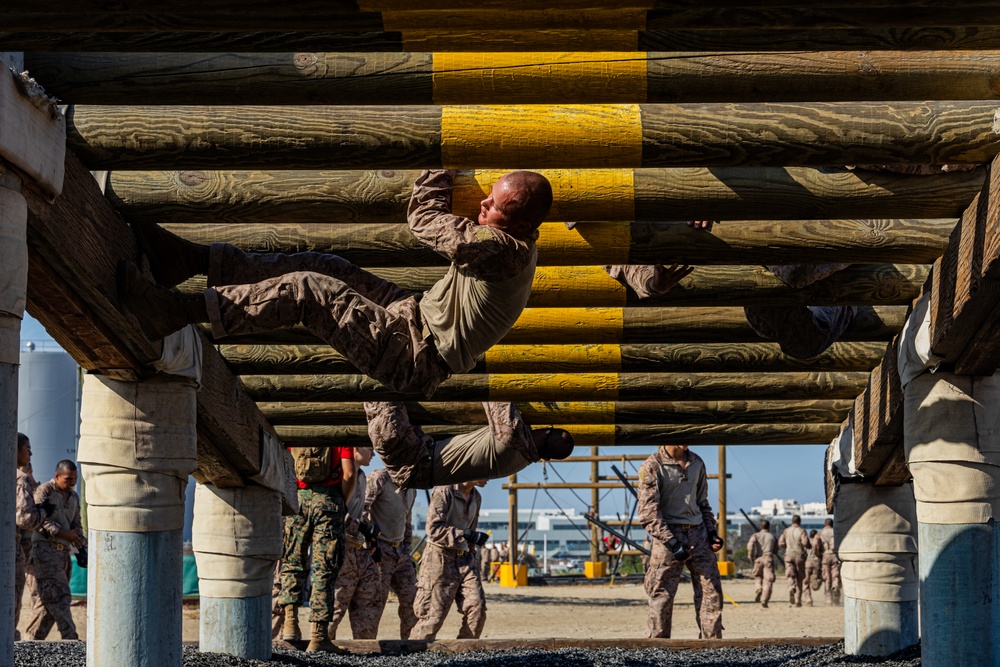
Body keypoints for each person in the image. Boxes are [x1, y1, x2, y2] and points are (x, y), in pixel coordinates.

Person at [121, 169, 553, 399]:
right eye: (488, 196)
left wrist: (442, 163)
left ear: (522, 223)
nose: (481, 204)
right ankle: (189, 260)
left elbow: (423, 219)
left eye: (494, 206)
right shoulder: (515, 238)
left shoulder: (500, 249)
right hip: (412, 315)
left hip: (413, 355)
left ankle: (175, 311)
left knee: (310, 290)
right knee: (324, 265)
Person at [364, 401, 573, 490]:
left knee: (379, 383)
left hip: (410, 457)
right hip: (416, 461)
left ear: (547, 431)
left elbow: (495, 394)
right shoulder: (520, 460)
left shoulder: (511, 435)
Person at [637, 445, 724, 639]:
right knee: (661, 596)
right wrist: (673, 543)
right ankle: (658, 649)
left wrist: (711, 533)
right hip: (668, 535)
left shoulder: (697, 462)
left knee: (711, 593)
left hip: (699, 532)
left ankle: (712, 648)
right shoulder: (652, 466)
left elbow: (702, 503)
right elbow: (647, 513)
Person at [278, 442, 355, 652]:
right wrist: (342, 502)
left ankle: (290, 626)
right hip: (329, 501)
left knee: (293, 562)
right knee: (324, 569)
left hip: (298, 502)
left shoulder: (295, 432)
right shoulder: (339, 433)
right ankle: (318, 637)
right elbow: (349, 473)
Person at [409, 481, 489, 640]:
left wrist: (472, 547)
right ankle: (412, 656)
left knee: (477, 608)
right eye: (486, 471)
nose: (489, 478)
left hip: (465, 559)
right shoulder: (445, 490)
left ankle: (465, 653)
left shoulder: (476, 497)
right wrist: (464, 534)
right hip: (439, 559)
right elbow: (433, 529)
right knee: (432, 617)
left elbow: (471, 531)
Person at [24, 460, 84, 641]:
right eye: (68, 479)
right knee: (60, 597)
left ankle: (30, 644)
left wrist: (81, 547)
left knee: (46, 604)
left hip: (63, 554)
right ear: (57, 476)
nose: (72, 482)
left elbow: (76, 524)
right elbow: (38, 520)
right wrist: (64, 533)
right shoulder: (45, 491)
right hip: (45, 551)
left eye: (75, 479)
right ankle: (71, 639)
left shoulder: (73, 497)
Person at [329, 447, 383, 640]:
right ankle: (323, 647)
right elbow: (336, 511)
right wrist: (360, 527)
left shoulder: (361, 476)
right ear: (356, 449)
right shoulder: (342, 474)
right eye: (370, 449)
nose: (373, 455)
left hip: (359, 550)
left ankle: (365, 646)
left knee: (369, 600)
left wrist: (369, 534)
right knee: (336, 603)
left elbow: (358, 514)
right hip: (342, 549)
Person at [363, 467, 418, 639]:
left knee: (414, 600)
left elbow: (407, 523)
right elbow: (362, 509)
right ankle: (367, 648)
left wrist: (406, 550)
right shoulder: (380, 478)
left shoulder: (412, 487)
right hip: (380, 550)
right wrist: (370, 542)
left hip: (401, 552)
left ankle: (410, 646)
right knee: (376, 602)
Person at [14, 434, 52, 640]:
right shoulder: (21, 478)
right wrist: (44, 511)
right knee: (12, 599)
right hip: (13, 546)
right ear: (16, 449)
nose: (30, 453)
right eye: (27, 448)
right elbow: (25, 518)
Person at [778, 515, 811, 608]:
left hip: (788, 555)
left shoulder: (786, 531)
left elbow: (781, 543)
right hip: (799, 555)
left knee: (790, 575)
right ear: (799, 521)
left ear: (792, 521)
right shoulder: (801, 531)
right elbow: (805, 543)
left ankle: (791, 587)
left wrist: (787, 547)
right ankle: (797, 601)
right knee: (799, 578)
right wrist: (808, 546)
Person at [746, 520, 777, 608]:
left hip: (758, 558)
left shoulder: (756, 535)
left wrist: (750, 556)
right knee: (768, 580)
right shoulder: (772, 537)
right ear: (769, 527)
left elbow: (750, 546)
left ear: (760, 527)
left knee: (757, 576)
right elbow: (775, 550)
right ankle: (765, 599)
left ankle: (758, 587)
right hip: (768, 559)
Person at [818, 518, 842, 606]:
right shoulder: (835, 532)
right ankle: (835, 588)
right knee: (835, 576)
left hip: (825, 556)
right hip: (835, 555)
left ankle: (828, 599)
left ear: (825, 524)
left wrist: (819, 554)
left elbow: (816, 545)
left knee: (827, 578)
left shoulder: (820, 533)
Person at [804, 529, 823, 606]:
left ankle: (808, 599)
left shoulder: (807, 543)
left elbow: (803, 553)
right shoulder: (818, 542)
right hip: (816, 562)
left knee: (806, 581)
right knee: (818, 577)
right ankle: (816, 584)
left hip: (808, 562)